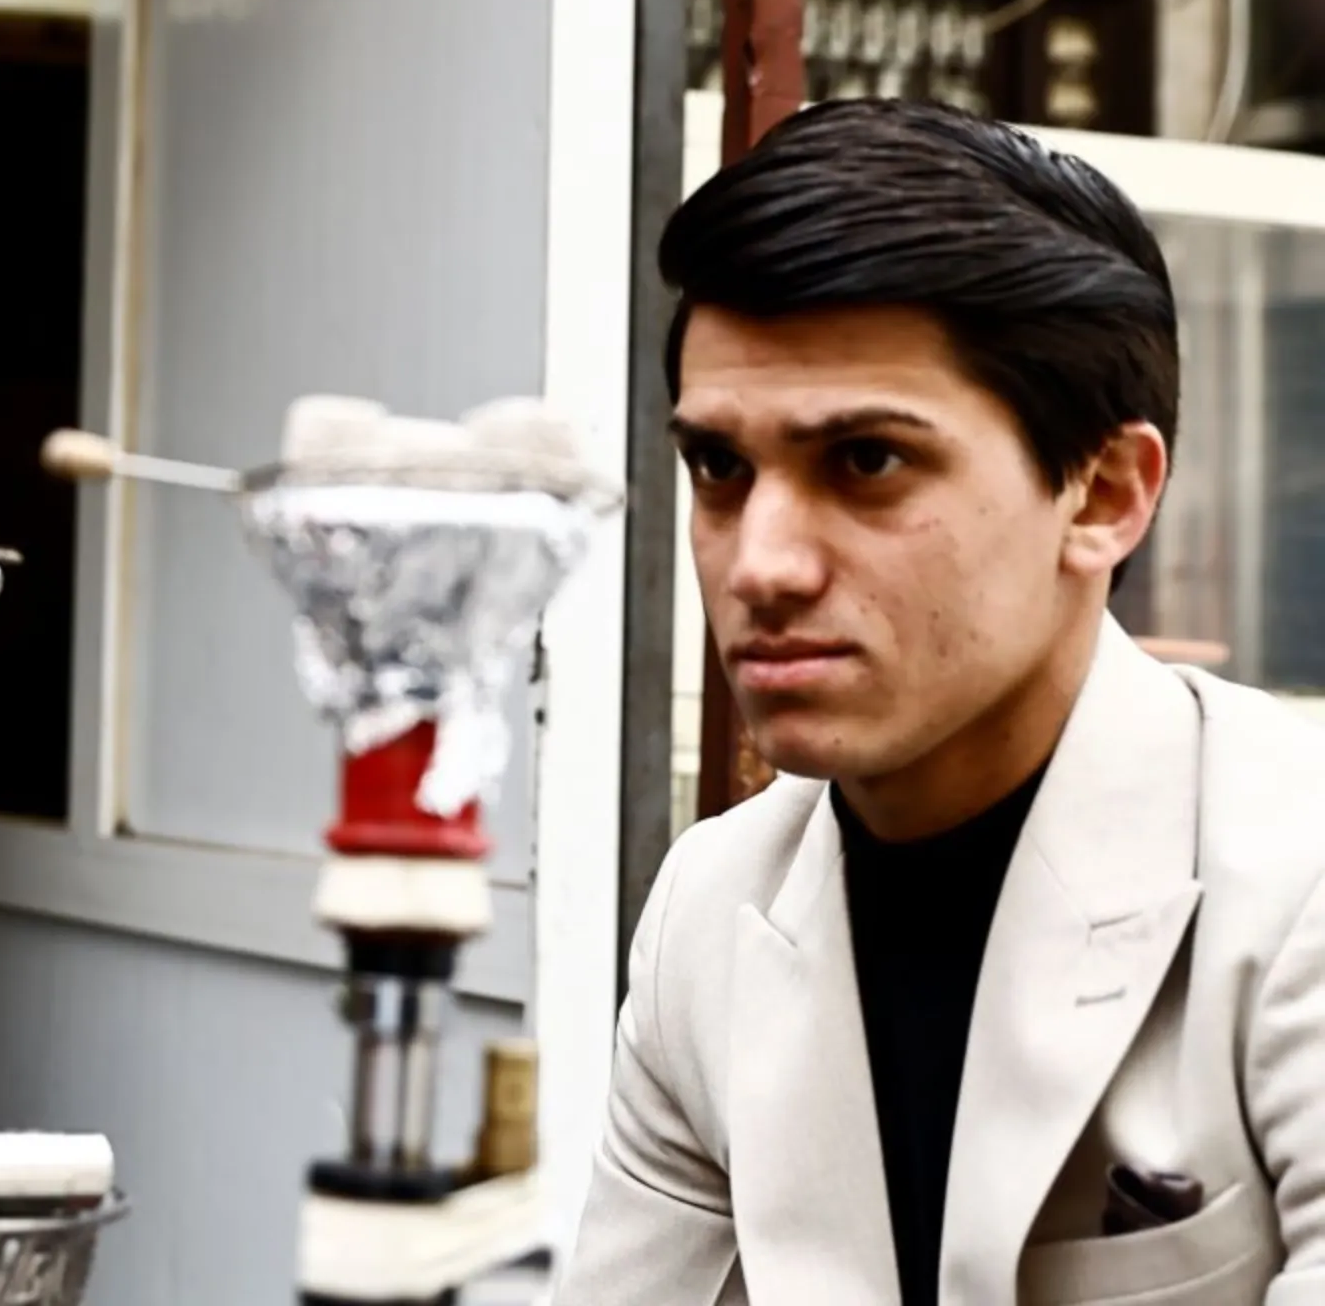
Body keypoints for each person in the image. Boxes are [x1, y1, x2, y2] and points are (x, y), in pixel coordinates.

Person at [558, 99, 1325, 1304]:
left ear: (1106, 494)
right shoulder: (713, 910)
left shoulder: (1296, 880)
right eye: (720, 467)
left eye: (866, 460)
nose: (760, 563)